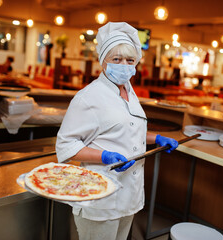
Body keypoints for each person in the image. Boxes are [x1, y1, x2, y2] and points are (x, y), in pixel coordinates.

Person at [56, 22, 179, 240]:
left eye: (130, 60)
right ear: (103, 61)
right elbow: (66, 146)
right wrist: (104, 156)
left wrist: (156, 138)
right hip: (100, 197)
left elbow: (128, 130)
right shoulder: (88, 97)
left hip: (128, 195)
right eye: (117, 59)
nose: (124, 65)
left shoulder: (129, 92)